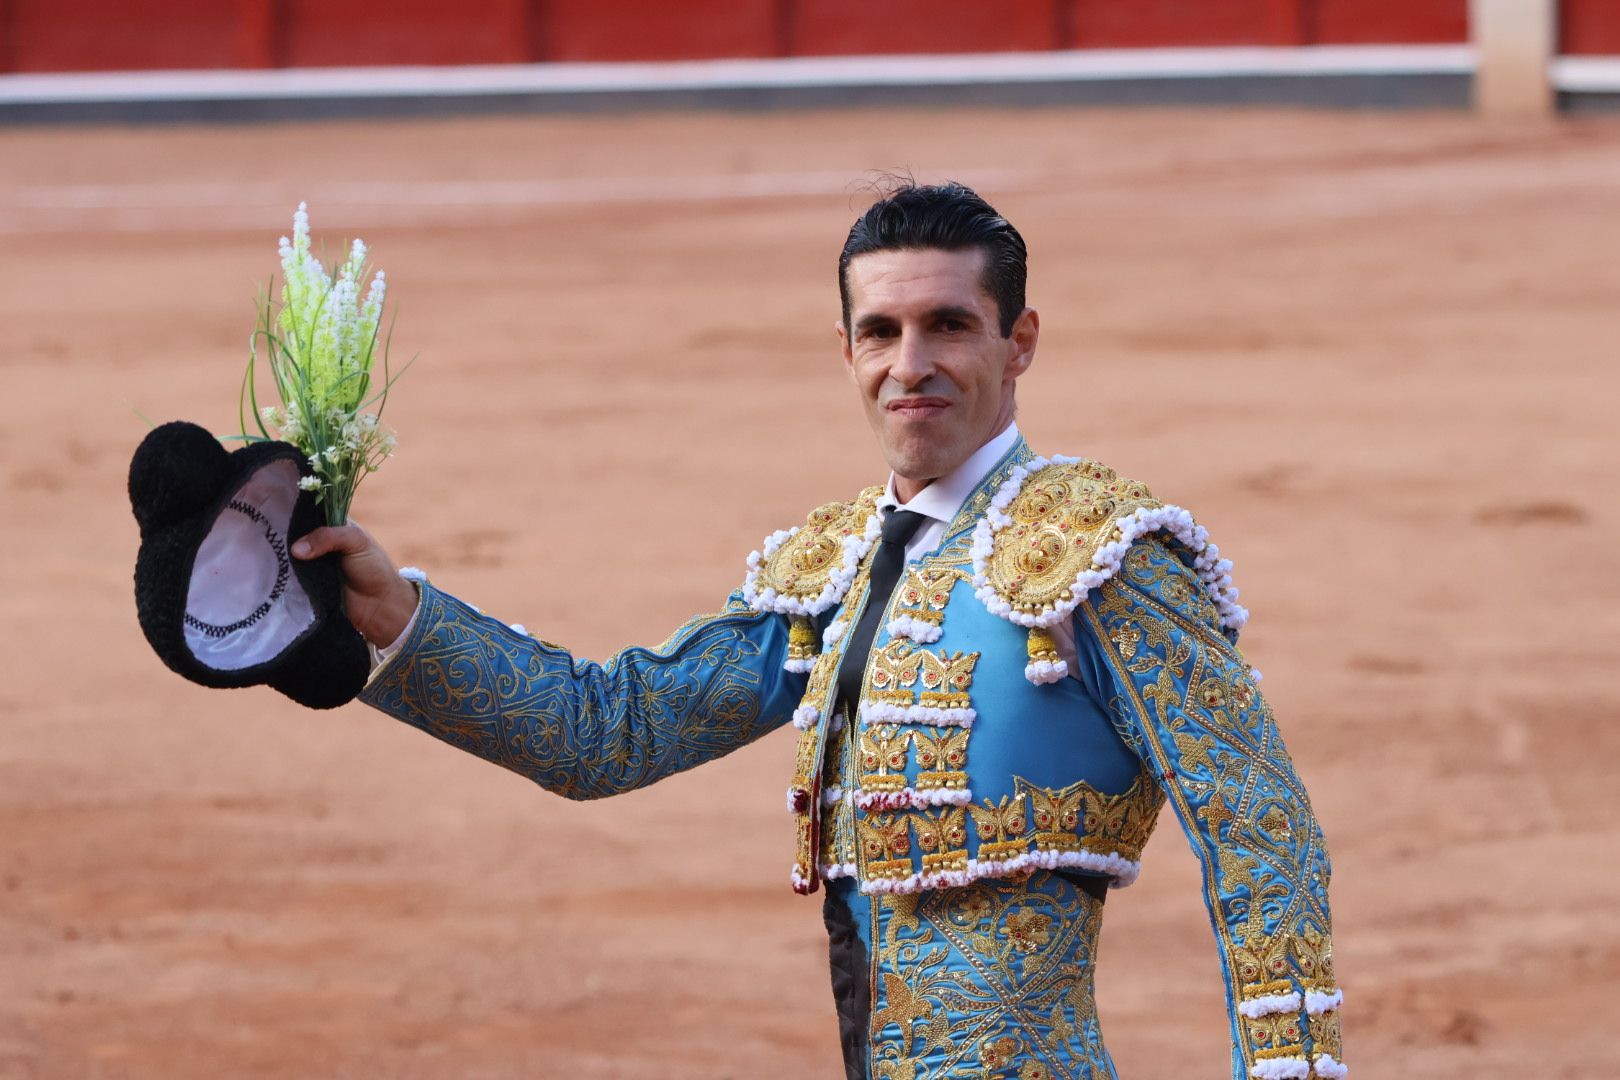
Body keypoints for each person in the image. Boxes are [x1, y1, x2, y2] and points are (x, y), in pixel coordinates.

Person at [292, 182, 1344, 1080]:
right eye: (881, 332)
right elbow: (606, 732)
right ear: (845, 349)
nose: (911, 363)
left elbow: (1260, 829)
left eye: (950, 325)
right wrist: (391, 615)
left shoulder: (1098, 554)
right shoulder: (833, 565)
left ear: (1019, 342)